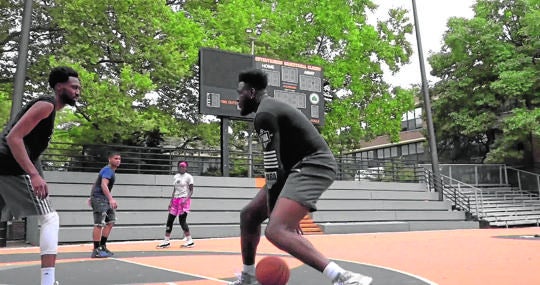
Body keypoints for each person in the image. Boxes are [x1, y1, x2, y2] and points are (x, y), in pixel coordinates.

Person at [229, 69, 373, 285]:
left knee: (276, 231)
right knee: (249, 216)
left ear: (250, 92)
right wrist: (278, 208)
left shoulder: (264, 115)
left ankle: (344, 278)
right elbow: (277, 167)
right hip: (293, 168)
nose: (236, 99)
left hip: (314, 163)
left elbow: (273, 167)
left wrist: (277, 211)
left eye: (239, 93)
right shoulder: (268, 110)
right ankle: (248, 277)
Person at [0, 66, 81, 285]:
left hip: (5, 165)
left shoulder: (47, 109)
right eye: (74, 87)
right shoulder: (46, 105)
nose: (77, 92)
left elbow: (28, 146)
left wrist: (38, 172)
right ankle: (47, 281)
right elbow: (14, 138)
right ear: (59, 87)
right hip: (9, 166)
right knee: (50, 218)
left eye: (78, 88)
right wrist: (34, 175)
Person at [89, 152, 121, 258]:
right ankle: (96, 249)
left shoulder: (110, 171)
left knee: (111, 221)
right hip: (99, 199)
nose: (118, 160)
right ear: (109, 159)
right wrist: (111, 199)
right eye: (115, 158)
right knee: (99, 224)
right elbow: (103, 184)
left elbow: (96, 183)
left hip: (103, 198)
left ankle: (102, 246)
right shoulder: (107, 170)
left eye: (119, 159)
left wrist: (90, 196)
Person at [157, 160, 195, 248]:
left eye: (184, 166)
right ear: (178, 167)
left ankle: (190, 240)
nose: (182, 168)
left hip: (183, 200)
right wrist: (171, 201)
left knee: (182, 221)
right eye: (180, 166)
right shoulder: (176, 176)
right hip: (175, 200)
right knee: (170, 220)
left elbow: (191, 190)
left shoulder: (189, 177)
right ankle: (166, 241)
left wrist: (186, 199)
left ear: (186, 168)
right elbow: (174, 190)